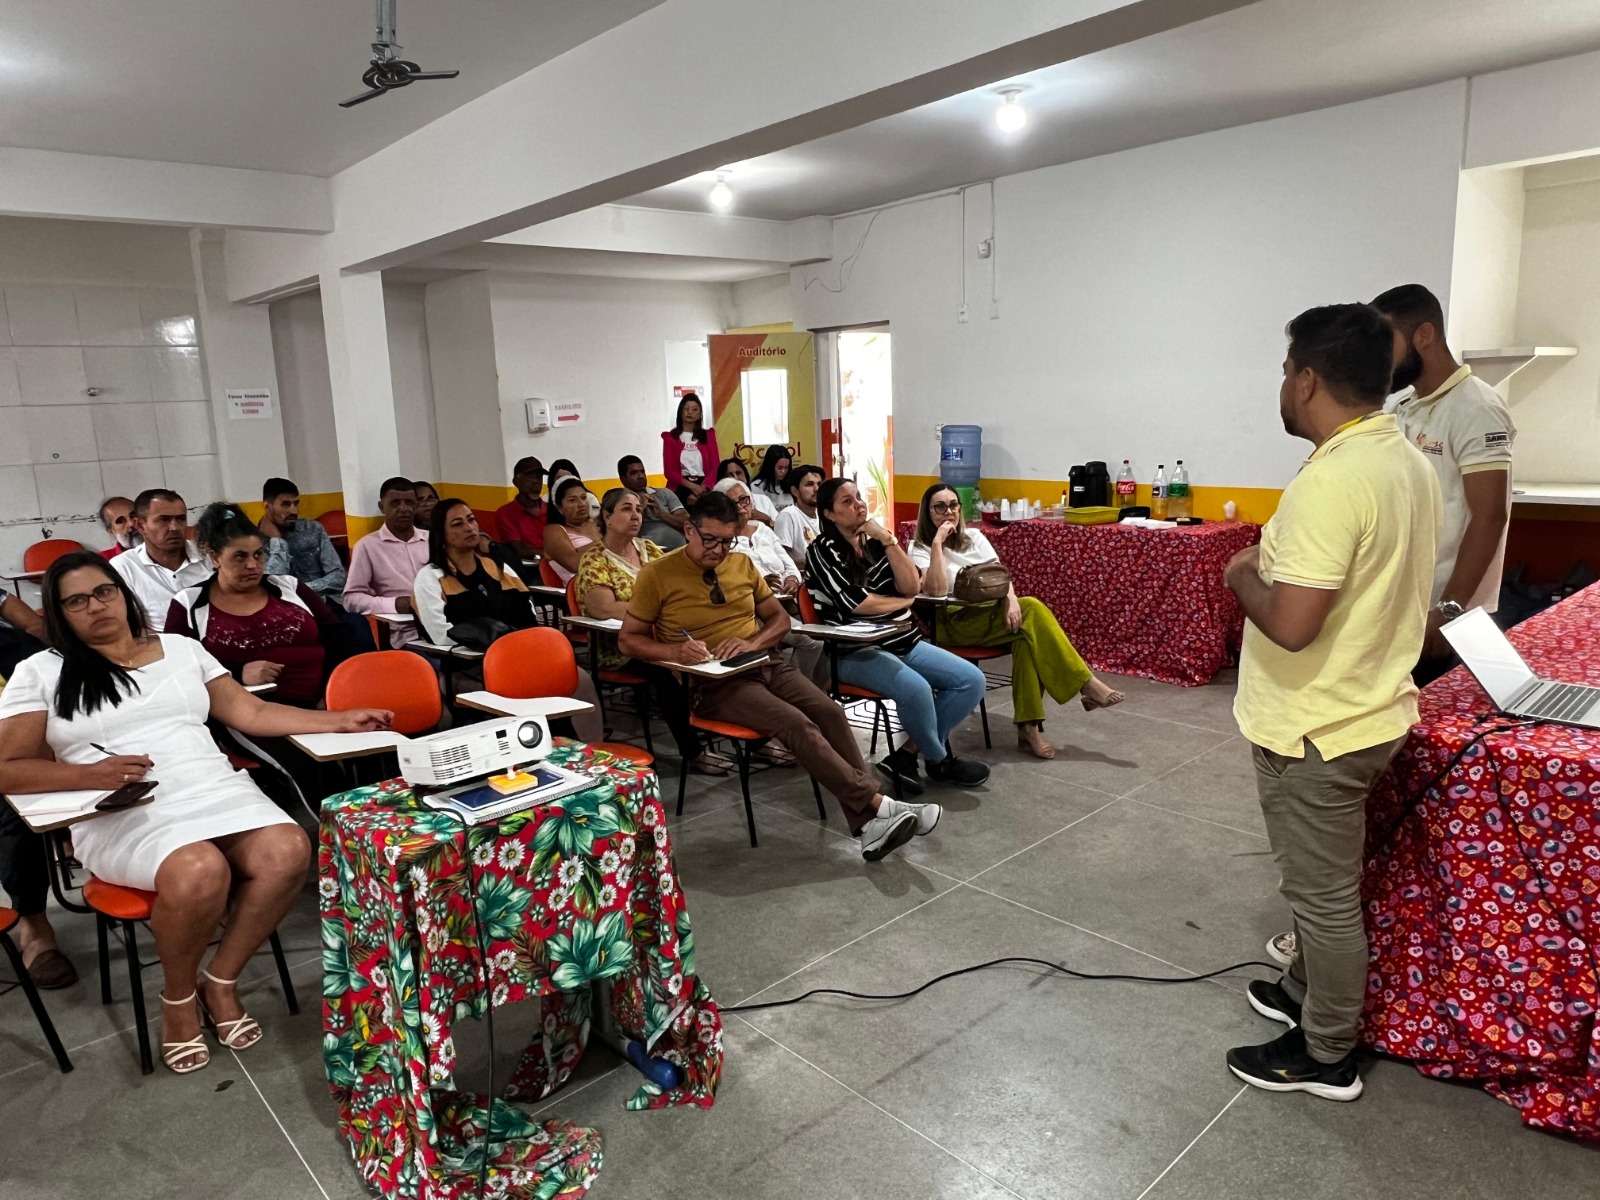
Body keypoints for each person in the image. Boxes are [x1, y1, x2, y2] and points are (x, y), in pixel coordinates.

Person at [0, 551, 391, 1073]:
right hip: (123, 806)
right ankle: (179, 997)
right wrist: (89, 774)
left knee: (288, 848)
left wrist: (339, 720)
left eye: (103, 592)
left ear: (123, 593)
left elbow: (251, 711)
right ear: (59, 614)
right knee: (199, 869)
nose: (95, 606)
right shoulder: (41, 671)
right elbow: (8, 768)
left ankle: (221, 980)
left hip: (211, 786)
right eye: (76, 601)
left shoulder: (182, 649)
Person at [1222, 303, 1440, 1103]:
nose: (1283, 386)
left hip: (1317, 728)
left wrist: (1241, 572)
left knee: (1322, 898)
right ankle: (1301, 989)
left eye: (1286, 373)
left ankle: (1325, 1052)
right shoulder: (1405, 460)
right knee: (1323, 883)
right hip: (1369, 707)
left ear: (1308, 380)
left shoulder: (1332, 481)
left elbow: (1292, 623)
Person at [620, 491, 936, 861]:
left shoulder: (740, 564)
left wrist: (752, 642)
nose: (718, 551)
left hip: (763, 663)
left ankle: (868, 825)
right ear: (689, 530)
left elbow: (780, 619)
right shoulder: (658, 574)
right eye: (709, 540)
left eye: (727, 541)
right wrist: (674, 652)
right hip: (712, 683)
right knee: (796, 725)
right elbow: (628, 640)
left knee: (830, 712)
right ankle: (880, 805)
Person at [910, 482, 1124, 760]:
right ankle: (1086, 684)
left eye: (953, 505)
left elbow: (1000, 575)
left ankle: (1028, 727)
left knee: (1025, 637)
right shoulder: (918, 547)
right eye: (939, 507)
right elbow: (936, 590)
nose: (948, 512)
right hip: (954, 620)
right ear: (927, 513)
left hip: (991, 611)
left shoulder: (974, 536)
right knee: (1032, 607)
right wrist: (937, 543)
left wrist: (1011, 600)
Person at [1372, 284, 1515, 686]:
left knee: (1430, 715)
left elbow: (1490, 515)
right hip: (1400, 604)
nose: (1378, 357)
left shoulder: (1477, 409)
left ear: (1424, 335)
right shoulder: (1402, 407)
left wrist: (1450, 608)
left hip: (1444, 612)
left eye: (1386, 342)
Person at [807, 478, 990, 793]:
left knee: (971, 680)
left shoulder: (875, 543)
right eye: (846, 502)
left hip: (902, 640)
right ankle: (939, 759)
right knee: (916, 689)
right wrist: (903, 604)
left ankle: (905, 755)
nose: (859, 505)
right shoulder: (822, 550)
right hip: (855, 651)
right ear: (829, 514)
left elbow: (911, 586)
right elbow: (857, 604)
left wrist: (888, 540)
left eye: (859, 497)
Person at [414, 499, 604, 741]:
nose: (469, 527)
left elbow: (529, 614)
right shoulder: (431, 577)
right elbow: (440, 635)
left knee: (579, 679)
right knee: (532, 688)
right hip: (470, 669)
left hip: (522, 659)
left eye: (471, 520)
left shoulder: (498, 567)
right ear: (441, 535)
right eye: (457, 524)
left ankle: (591, 753)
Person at [575, 489, 731, 777]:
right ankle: (693, 752)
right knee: (666, 672)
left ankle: (735, 730)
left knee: (718, 646)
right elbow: (603, 607)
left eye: (638, 509)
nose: (636, 515)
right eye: (626, 509)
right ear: (607, 516)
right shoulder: (595, 559)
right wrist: (654, 612)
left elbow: (680, 582)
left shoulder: (648, 549)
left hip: (665, 634)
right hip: (620, 648)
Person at [166, 505, 351, 707]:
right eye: (240, 556)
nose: (252, 565)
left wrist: (330, 693)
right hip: (241, 713)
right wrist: (237, 672)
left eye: (258, 554)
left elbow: (338, 639)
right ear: (215, 557)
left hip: (321, 704)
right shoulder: (190, 603)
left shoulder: (290, 586)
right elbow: (177, 667)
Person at [342, 477, 430, 647]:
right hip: (407, 634)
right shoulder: (367, 546)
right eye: (395, 503)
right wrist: (394, 604)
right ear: (382, 507)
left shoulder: (432, 540)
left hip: (447, 624)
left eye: (409, 502)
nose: (404, 508)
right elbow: (351, 599)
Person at [113, 488, 209, 632]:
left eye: (180, 519)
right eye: (163, 520)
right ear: (140, 525)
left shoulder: (209, 555)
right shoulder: (124, 566)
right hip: (160, 643)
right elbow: (130, 627)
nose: (175, 527)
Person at [257, 478, 347, 604]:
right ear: (268, 507)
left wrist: (303, 590)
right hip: (287, 608)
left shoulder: (312, 529)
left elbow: (339, 576)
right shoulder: (256, 542)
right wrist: (277, 542)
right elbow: (273, 586)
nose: (294, 511)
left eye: (296, 504)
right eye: (286, 504)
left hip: (326, 602)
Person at [712, 478, 800, 599]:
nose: (740, 506)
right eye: (732, 503)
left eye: (744, 500)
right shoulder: (721, 541)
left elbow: (790, 566)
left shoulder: (763, 530)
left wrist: (791, 580)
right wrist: (759, 585)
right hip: (752, 602)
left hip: (786, 597)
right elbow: (727, 582)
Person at [662, 393, 719, 507]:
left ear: (700, 414)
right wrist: (692, 487)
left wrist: (702, 488)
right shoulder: (671, 437)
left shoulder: (708, 436)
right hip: (680, 486)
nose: (690, 412)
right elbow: (669, 471)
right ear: (680, 412)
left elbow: (716, 466)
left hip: (704, 486)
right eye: (686, 408)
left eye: (694, 409)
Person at [543, 477, 602, 584]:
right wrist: (605, 543)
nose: (581, 504)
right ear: (559, 508)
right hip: (584, 587)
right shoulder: (553, 531)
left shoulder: (597, 525)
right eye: (572, 500)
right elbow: (574, 564)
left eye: (584, 498)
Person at [494, 457, 549, 558]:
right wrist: (554, 554)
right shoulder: (505, 514)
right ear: (516, 482)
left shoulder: (552, 509)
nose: (535, 481)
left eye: (538, 477)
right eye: (529, 477)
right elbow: (518, 550)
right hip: (527, 565)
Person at [774, 464, 825, 570]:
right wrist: (822, 562)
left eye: (819, 484)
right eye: (809, 484)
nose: (817, 489)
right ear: (795, 491)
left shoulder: (825, 514)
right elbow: (783, 559)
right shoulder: (787, 515)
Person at [716, 457, 777, 525]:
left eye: (738, 473)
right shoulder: (721, 507)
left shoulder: (763, 500)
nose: (735, 478)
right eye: (729, 476)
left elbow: (780, 526)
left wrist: (768, 520)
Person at [753, 444, 796, 512]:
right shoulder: (757, 486)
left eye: (786, 468)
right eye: (780, 468)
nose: (783, 471)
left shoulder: (791, 484)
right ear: (770, 466)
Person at [97, 496, 138, 561]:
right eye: (121, 521)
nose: (131, 523)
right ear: (111, 531)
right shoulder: (104, 560)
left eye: (133, 515)